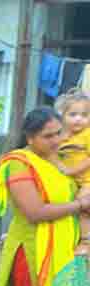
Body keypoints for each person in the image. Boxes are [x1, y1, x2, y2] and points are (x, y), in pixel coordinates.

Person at [0, 107, 90, 286]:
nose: (56, 140)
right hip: (33, 251)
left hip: (64, 249)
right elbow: (35, 212)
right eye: (48, 136)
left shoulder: (57, 160)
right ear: (30, 137)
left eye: (59, 133)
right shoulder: (18, 163)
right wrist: (79, 205)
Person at [56, 91, 90, 246]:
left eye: (84, 115)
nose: (79, 119)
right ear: (62, 116)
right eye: (73, 114)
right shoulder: (62, 135)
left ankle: (84, 242)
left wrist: (71, 171)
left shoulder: (87, 134)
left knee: (82, 205)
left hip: (86, 181)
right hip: (71, 181)